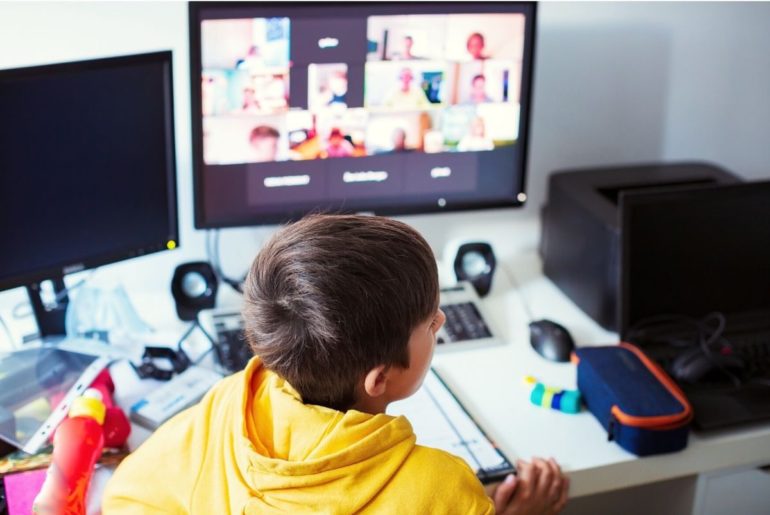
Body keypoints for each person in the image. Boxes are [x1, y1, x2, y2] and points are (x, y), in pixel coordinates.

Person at [103, 214, 569, 514]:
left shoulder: (228, 404)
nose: (442, 319)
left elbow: (125, 498)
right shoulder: (442, 491)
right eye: (429, 321)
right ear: (379, 378)